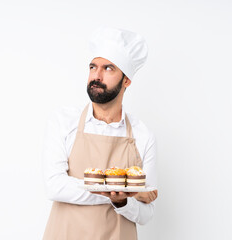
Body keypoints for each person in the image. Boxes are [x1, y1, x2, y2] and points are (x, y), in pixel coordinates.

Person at [42, 26, 158, 240]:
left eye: (108, 68)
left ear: (127, 80)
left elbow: (146, 213)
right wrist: (124, 193)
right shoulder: (63, 121)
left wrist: (123, 200)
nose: (96, 76)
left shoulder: (143, 135)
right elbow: (55, 187)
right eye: (93, 67)